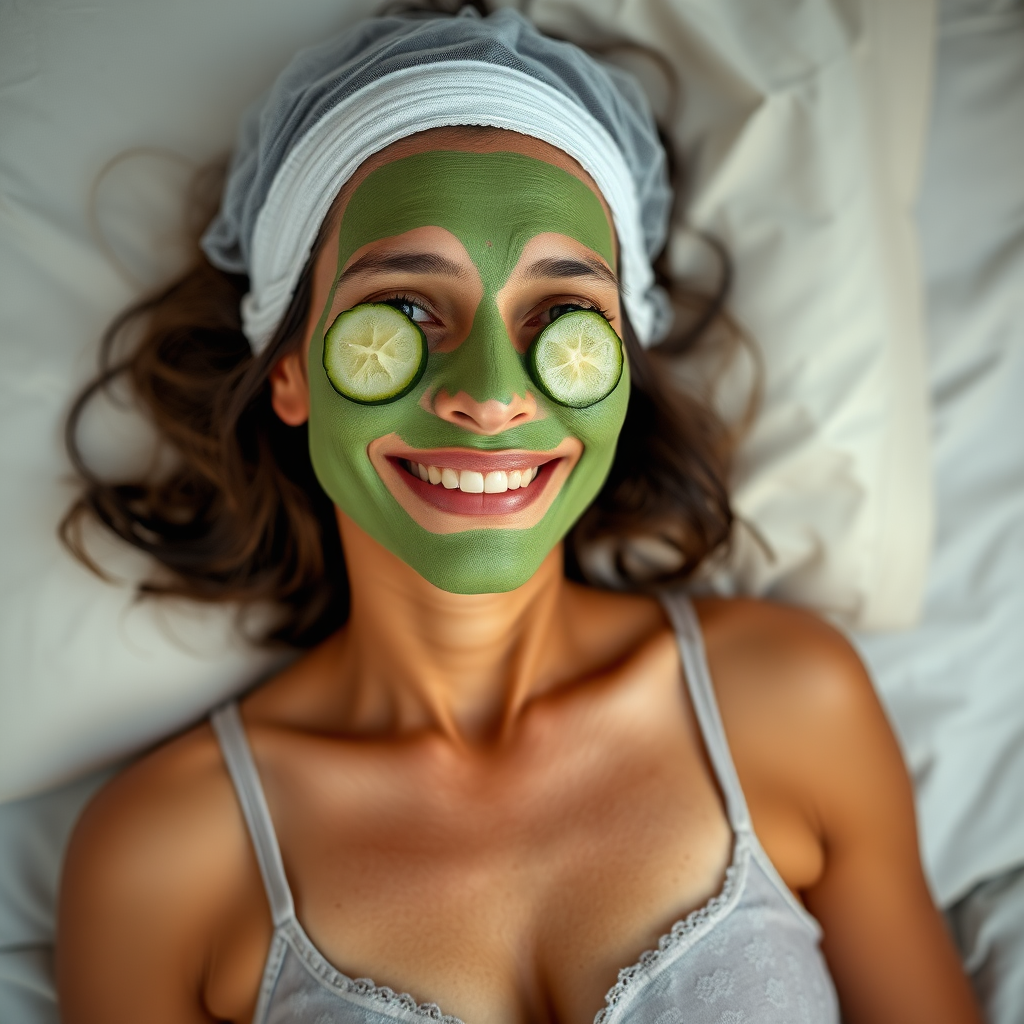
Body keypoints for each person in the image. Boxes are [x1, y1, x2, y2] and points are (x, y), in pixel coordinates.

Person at [54, 7, 982, 1024]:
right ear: (289, 373)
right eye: (404, 310)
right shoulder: (158, 860)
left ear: (621, 369)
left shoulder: (792, 700)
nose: (491, 395)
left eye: (562, 318)